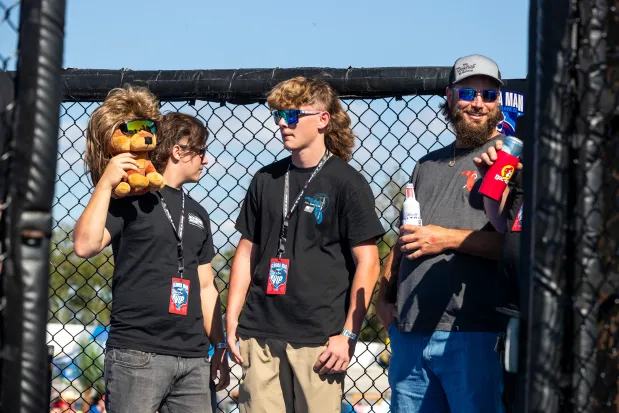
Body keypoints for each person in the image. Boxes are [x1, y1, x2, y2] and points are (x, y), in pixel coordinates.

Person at [226, 76, 385, 413]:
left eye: (294, 116)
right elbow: (245, 253)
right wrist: (232, 319)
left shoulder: (347, 182)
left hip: (319, 340)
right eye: (279, 115)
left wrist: (349, 335)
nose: (283, 123)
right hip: (259, 333)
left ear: (323, 119)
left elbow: (369, 263)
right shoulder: (265, 179)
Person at [73, 89, 229, 413]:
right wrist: (105, 184)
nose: (206, 158)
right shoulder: (131, 198)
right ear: (176, 151)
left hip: (193, 358)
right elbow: (85, 245)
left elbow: (205, 287)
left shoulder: (198, 213)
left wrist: (221, 346)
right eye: (200, 150)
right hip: (137, 354)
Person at [376, 54, 510, 413]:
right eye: (468, 93)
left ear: (500, 103)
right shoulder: (426, 164)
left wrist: (446, 238)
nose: (478, 104)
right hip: (410, 332)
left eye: (489, 95)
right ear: (450, 97)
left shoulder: (510, 161)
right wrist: (385, 295)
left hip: (472, 332)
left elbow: (519, 246)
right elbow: (406, 236)